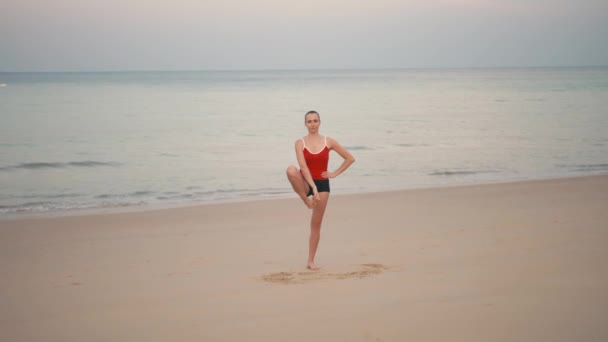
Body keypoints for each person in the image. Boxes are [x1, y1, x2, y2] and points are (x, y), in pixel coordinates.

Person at [286, 111, 355, 270]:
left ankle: (311, 261)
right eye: (309, 121)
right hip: (305, 181)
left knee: (315, 224)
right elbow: (302, 166)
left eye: (315, 121)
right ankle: (306, 202)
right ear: (305, 124)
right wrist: (312, 188)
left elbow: (350, 158)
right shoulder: (299, 143)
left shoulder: (328, 141)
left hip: (323, 183)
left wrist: (334, 173)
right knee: (290, 170)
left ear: (319, 122)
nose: (312, 124)